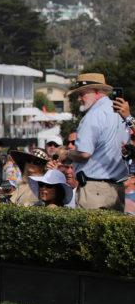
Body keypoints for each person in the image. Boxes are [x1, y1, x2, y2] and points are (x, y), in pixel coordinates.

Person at [60, 73, 127, 210]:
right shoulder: (122, 113)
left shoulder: (93, 116)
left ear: (96, 92)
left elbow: (84, 154)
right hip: (117, 188)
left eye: (82, 94)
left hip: (94, 190)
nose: (79, 99)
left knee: (89, 231)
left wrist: (67, 154)